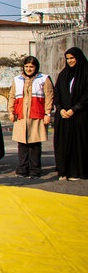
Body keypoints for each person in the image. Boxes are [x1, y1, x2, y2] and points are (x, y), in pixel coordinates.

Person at [8, 56, 53, 178]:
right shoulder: (17, 79)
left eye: (31, 67)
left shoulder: (44, 79)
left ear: (36, 67)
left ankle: (35, 170)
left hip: (36, 115)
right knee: (22, 144)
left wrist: (47, 113)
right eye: (26, 66)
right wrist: (11, 112)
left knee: (35, 144)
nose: (28, 69)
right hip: (21, 116)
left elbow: (49, 97)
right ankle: (22, 170)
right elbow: (12, 96)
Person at [53, 47, 88, 180]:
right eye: (67, 58)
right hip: (63, 116)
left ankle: (77, 171)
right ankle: (63, 171)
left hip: (79, 115)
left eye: (72, 58)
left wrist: (74, 109)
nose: (70, 61)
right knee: (63, 143)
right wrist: (60, 108)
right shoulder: (63, 74)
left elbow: (86, 95)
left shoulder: (85, 73)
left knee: (78, 144)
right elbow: (57, 93)